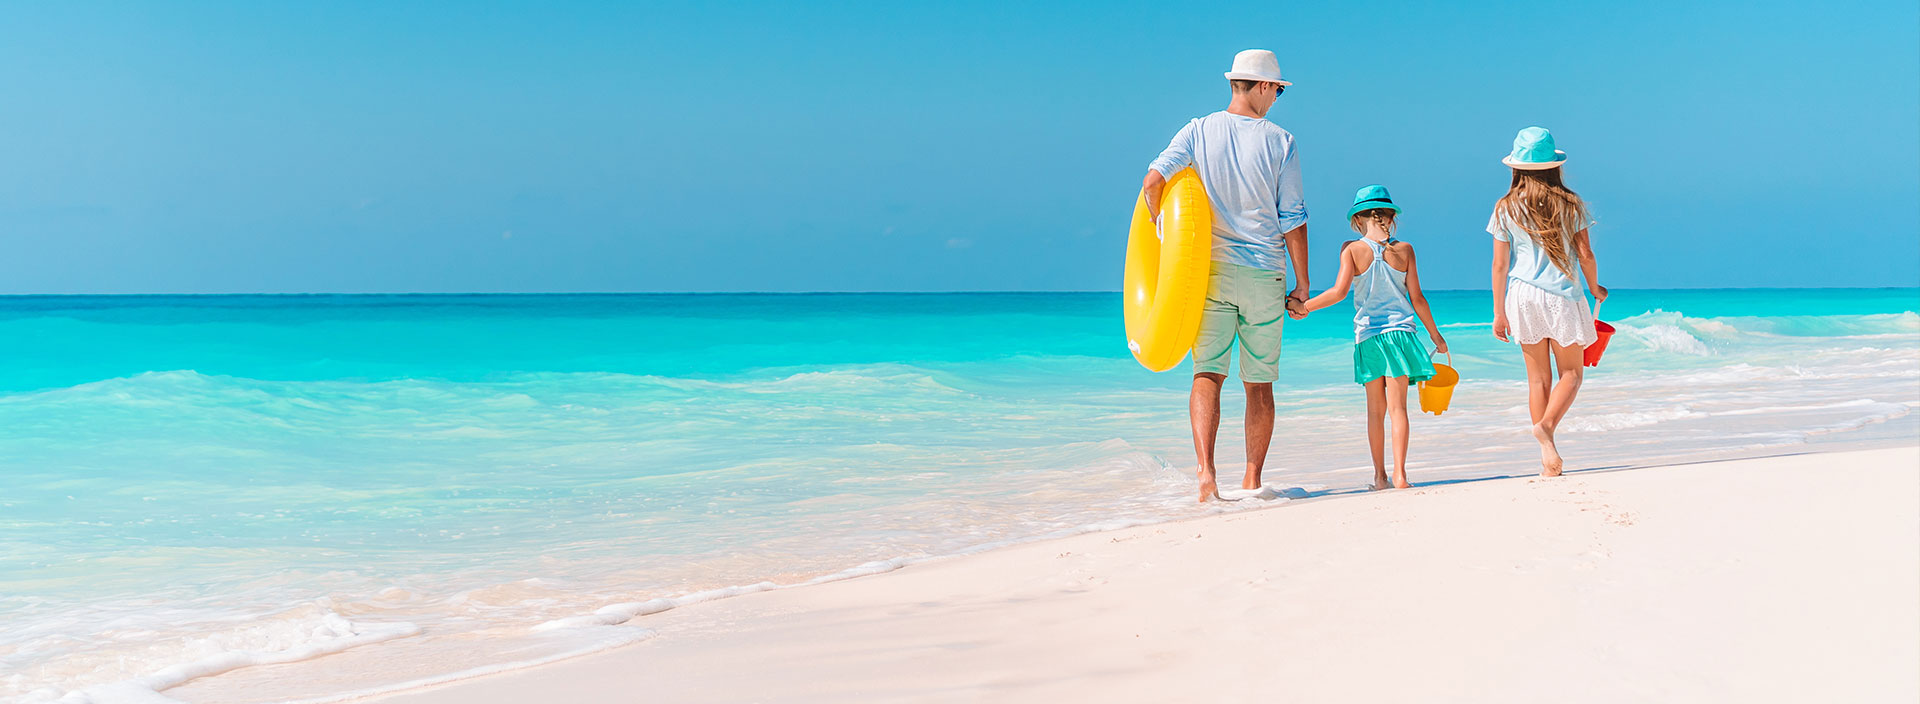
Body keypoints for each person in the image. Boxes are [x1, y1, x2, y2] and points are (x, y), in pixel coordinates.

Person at [1141, 49, 1309, 502]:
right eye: (1275, 89)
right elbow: (1291, 217)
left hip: (1208, 275)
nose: (1276, 98)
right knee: (1258, 383)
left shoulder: (1197, 130)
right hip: (1263, 274)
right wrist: (1303, 283)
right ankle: (1252, 481)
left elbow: (1152, 183)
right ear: (1258, 86)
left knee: (1207, 374)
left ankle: (1206, 476)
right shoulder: (1281, 141)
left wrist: (1165, 241)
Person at [1302, 185, 1447, 490]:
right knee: (1399, 411)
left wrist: (1305, 307)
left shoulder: (1352, 250)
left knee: (1375, 412)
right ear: (1391, 217)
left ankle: (1380, 477)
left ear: (1357, 219)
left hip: (1368, 337)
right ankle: (1401, 475)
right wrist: (1436, 336)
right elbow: (1418, 298)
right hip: (1401, 335)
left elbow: (1339, 293)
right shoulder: (1406, 250)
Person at [1488, 126, 1606, 476]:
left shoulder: (1506, 206)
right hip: (1562, 295)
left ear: (1517, 167)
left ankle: (1546, 455)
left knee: (1537, 380)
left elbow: (1499, 265)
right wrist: (1595, 287)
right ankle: (1547, 427)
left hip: (1521, 295)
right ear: (1554, 166)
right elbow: (1585, 254)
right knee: (1571, 373)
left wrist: (1498, 313)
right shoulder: (1571, 204)